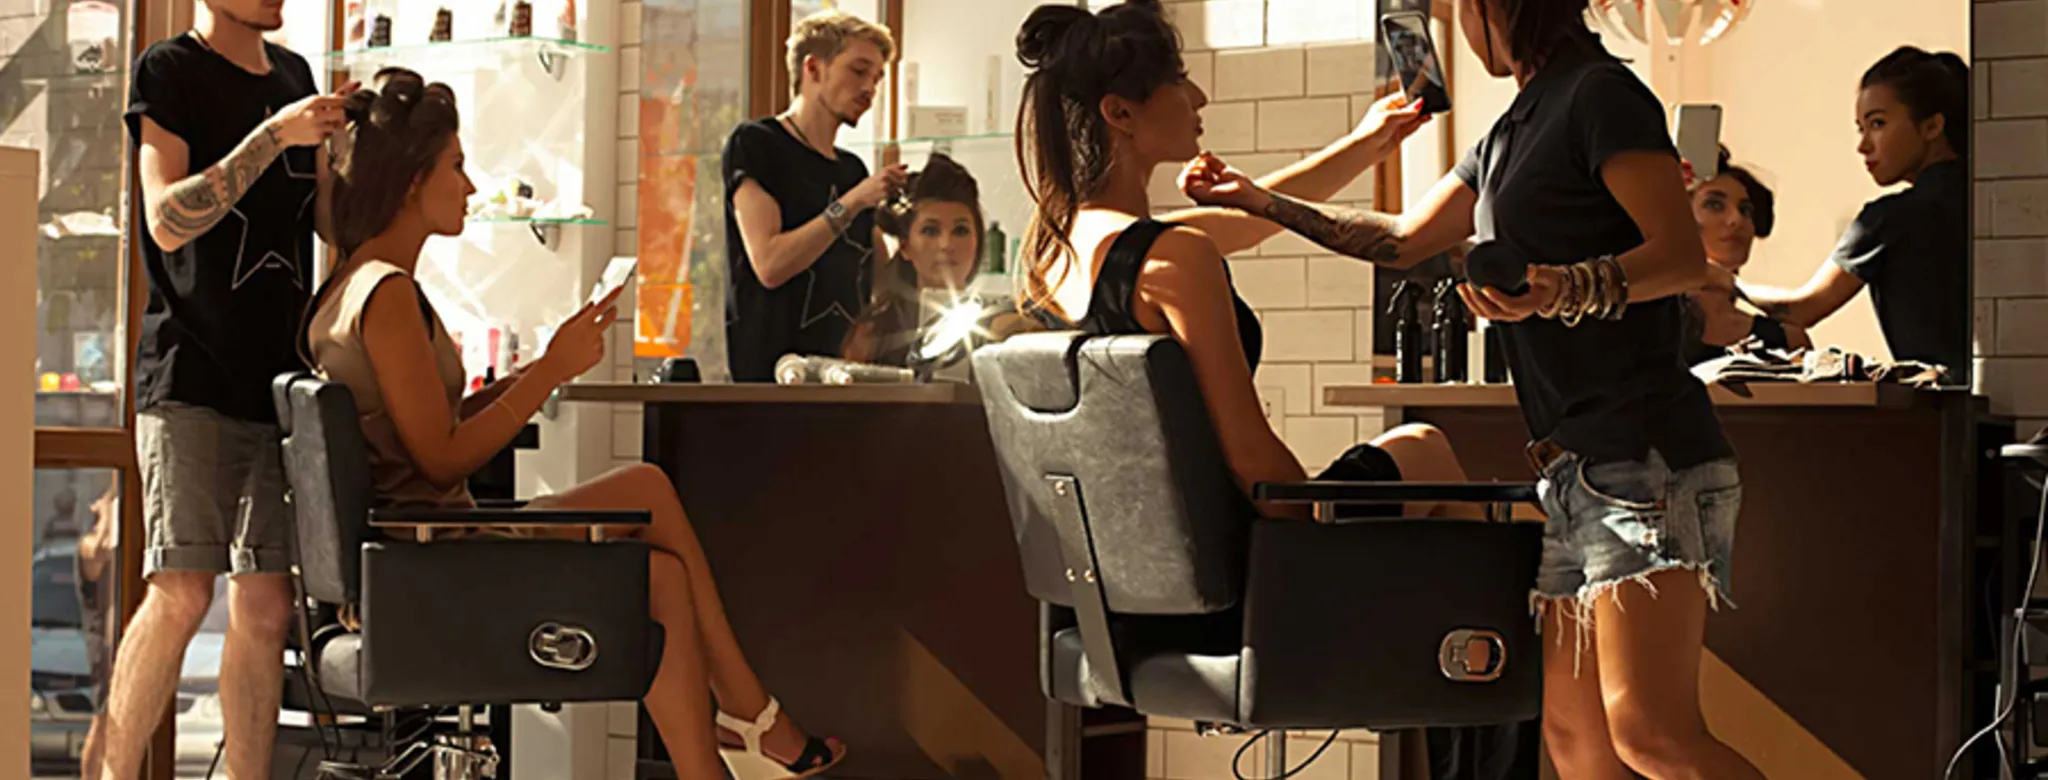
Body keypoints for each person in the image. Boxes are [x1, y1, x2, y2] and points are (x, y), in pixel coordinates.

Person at [1174, 0, 1763, 776]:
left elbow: (1683, 256)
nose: (1454, 30)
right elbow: (1403, 239)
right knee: (1576, 743)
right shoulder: (1510, 129)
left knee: (1650, 734)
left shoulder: (1601, 96)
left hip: (1644, 456)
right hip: (1574, 465)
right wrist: (1262, 202)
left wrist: (1561, 285)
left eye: (1461, 9)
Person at [304, 68, 844, 780]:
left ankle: (720, 758)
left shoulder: (351, 286)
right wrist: (553, 370)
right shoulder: (389, 295)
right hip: (433, 559)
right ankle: (756, 719)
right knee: (647, 487)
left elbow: (422, 429)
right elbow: (440, 461)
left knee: (661, 583)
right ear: (411, 182)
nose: (469, 186)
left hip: (420, 552)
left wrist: (532, 372)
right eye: (457, 167)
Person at [103, 0, 355, 776]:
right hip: (190, 373)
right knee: (180, 589)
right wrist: (276, 135)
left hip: (280, 384)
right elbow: (168, 219)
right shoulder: (169, 71)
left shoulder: (294, 76)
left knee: (267, 604)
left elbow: (329, 229)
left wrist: (350, 155)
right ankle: (112, 772)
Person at [1727, 46, 1969, 383]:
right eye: (1861, 128)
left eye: (1878, 124)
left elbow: (1802, 309)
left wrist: (1723, 281)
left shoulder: (1891, 218)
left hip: (1940, 410)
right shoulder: (1988, 200)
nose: (1863, 145)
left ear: (1932, 126)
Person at [724, 10, 909, 381]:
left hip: (845, 377)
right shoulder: (757, 144)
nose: (870, 88)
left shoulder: (852, 170)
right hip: (771, 380)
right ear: (813, 69)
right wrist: (854, 201)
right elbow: (770, 265)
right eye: (859, 71)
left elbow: (875, 275)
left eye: (876, 78)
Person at [841, 153, 1030, 366]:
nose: (946, 244)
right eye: (930, 231)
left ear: (978, 240)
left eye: (960, 230)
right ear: (905, 246)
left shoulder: (999, 326)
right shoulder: (872, 336)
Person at [1681, 148, 1810, 366]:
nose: (1736, 220)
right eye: (1714, 205)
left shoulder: (1787, 339)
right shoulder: (1654, 327)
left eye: (1745, 210)